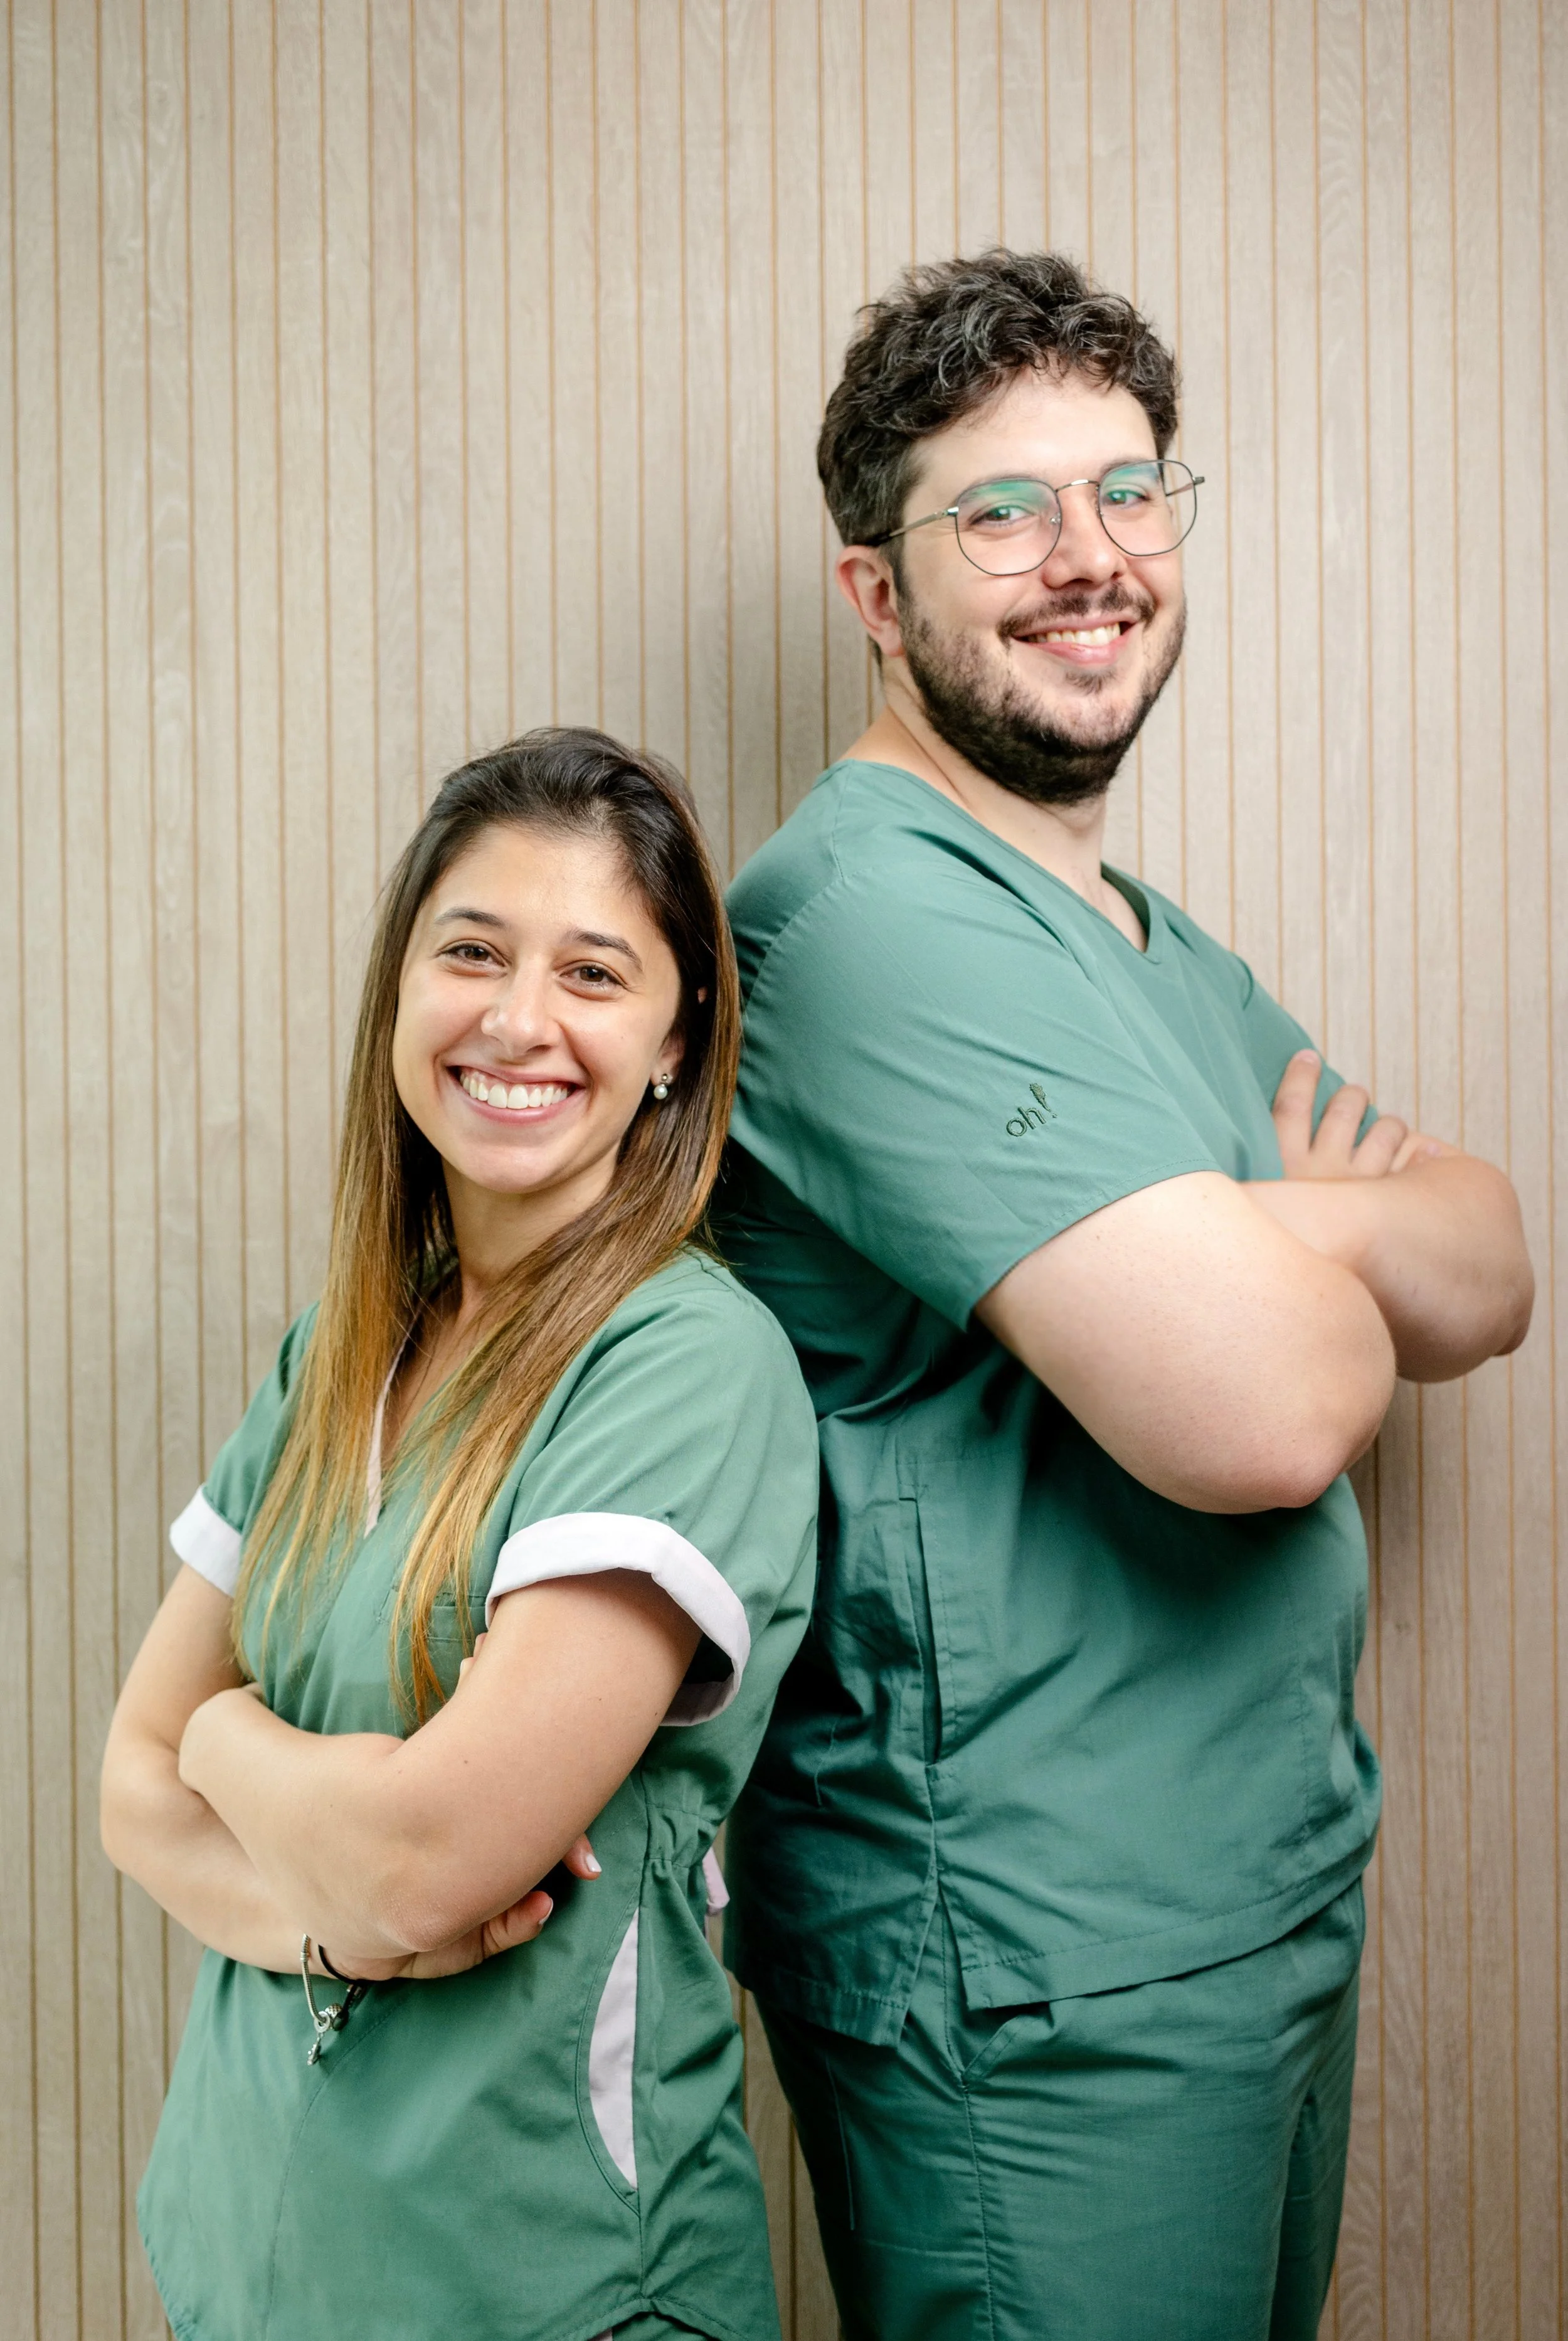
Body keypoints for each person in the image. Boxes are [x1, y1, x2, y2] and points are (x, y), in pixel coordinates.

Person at [719, 250, 1534, 2341]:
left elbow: (1489, 1264)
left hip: (1250, 1905)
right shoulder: (866, 921)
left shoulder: (1148, 942)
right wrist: (1310, 1225)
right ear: (875, 594)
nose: (1087, 559)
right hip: (1038, 1957)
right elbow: (1262, 1416)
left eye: (1131, 491)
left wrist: (1269, 1235)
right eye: (1002, 509)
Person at [101, 728, 820, 2341]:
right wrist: (336, 1902)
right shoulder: (340, 1349)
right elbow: (129, 1801)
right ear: (401, 990)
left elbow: (429, 1858)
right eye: (472, 952)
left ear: (671, 1039)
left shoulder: (684, 1368)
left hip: (539, 2282)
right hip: (252, 2263)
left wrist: (223, 1737)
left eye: (593, 972)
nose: (516, 1021)